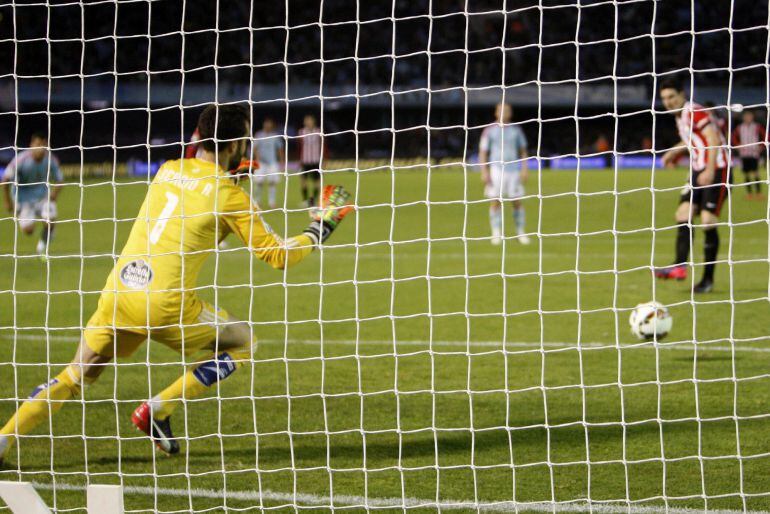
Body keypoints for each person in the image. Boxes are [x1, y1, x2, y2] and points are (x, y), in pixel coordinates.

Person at [0, 104, 353, 464]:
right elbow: (278, 255)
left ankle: (4, 438)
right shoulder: (230, 196)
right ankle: (159, 407)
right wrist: (320, 227)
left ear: (198, 137)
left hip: (119, 294)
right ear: (236, 147)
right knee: (244, 341)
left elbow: (190, 226)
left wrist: (225, 182)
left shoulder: (167, 171)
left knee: (73, 376)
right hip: (166, 305)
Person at [655, 80, 730, 293]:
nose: (668, 102)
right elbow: (691, 140)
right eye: (665, 99)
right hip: (697, 171)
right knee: (683, 213)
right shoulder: (681, 117)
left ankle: (707, 280)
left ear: (682, 95)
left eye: (672, 97)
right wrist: (672, 152)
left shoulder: (694, 111)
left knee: (707, 221)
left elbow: (713, 139)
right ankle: (679, 266)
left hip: (717, 168)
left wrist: (710, 169)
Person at [2, 132, 63, 258]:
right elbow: (5, 179)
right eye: (37, 144)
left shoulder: (51, 159)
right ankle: (30, 221)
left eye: (43, 144)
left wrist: (54, 195)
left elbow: (60, 180)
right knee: (28, 231)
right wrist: (7, 201)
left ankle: (42, 246)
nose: (40, 147)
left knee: (50, 221)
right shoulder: (21, 159)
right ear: (31, 145)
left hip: (42, 198)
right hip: (23, 200)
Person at [479, 102, 530, 245]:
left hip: (513, 169)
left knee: (517, 201)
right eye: (501, 110)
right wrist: (484, 171)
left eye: (507, 110)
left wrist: (525, 169)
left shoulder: (516, 130)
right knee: (495, 201)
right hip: (496, 169)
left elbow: (523, 151)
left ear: (510, 113)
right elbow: (483, 151)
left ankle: (521, 232)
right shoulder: (489, 130)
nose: (504, 113)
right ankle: (496, 233)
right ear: (496, 113)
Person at [732, 109, 766, 198]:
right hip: (744, 154)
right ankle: (749, 193)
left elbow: (765, 136)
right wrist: (737, 146)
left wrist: (761, 147)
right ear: (743, 117)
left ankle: (758, 193)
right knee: (746, 173)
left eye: (749, 116)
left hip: (754, 154)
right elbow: (733, 138)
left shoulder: (757, 126)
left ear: (752, 117)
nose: (748, 118)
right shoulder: (739, 127)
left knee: (755, 172)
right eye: (746, 116)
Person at [252, 117, 285, 208]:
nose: (267, 126)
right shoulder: (259, 135)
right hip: (261, 162)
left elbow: (280, 149)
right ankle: (257, 201)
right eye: (266, 124)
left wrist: (282, 161)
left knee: (272, 182)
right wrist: (257, 158)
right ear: (264, 125)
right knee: (259, 182)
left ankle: (272, 202)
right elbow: (255, 147)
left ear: (272, 126)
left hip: (272, 162)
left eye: (269, 125)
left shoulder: (275, 136)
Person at [297, 114, 323, 208]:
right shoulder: (301, 132)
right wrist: (299, 160)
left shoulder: (318, 131)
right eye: (307, 120)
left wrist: (323, 159)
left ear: (313, 121)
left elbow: (323, 146)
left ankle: (313, 201)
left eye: (310, 120)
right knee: (303, 181)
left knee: (317, 182)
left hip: (316, 161)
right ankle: (305, 200)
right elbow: (299, 147)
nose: (308, 122)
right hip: (305, 161)